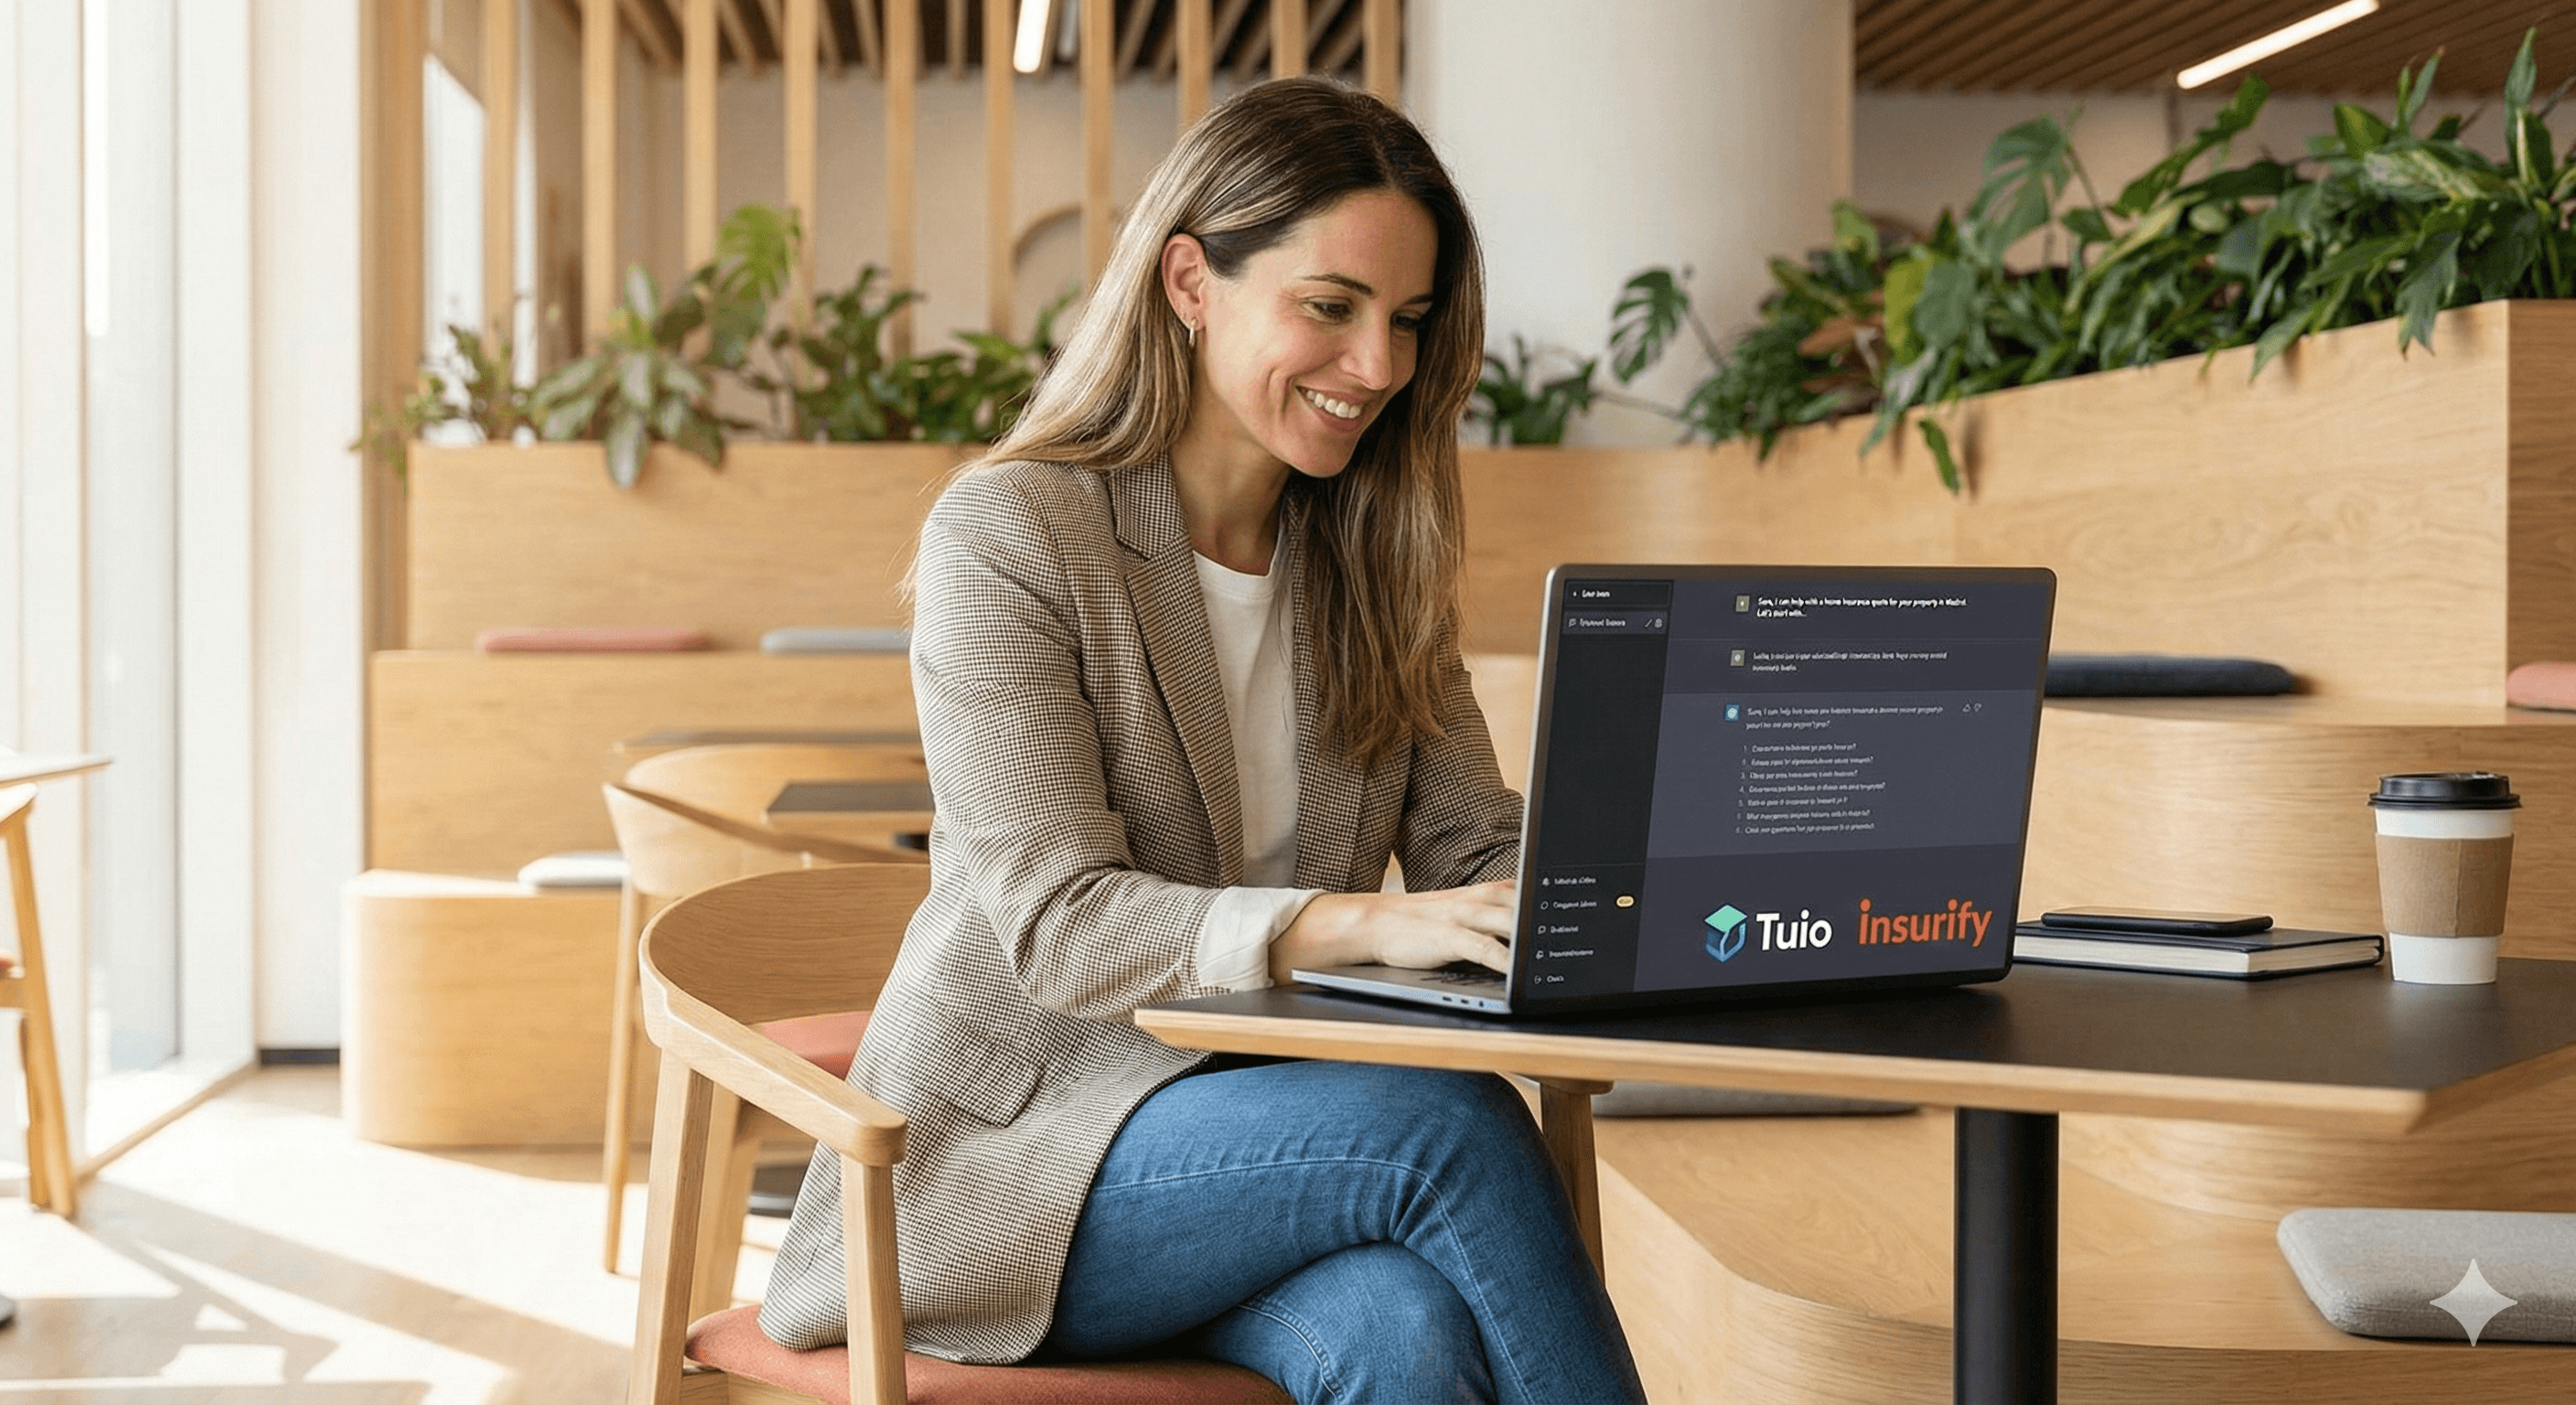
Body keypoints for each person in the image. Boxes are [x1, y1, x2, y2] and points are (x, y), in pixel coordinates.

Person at [759, 77, 1646, 1405]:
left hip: (1275, 1147)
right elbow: (1060, 924)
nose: (1380, 369)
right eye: (1330, 309)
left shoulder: (1374, 559)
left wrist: (1653, 880)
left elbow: (1475, 845)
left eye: (1407, 323)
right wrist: (1354, 923)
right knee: (1445, 1128)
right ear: (1190, 283)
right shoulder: (1011, 538)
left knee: (1404, 1334)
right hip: (1004, 1169)